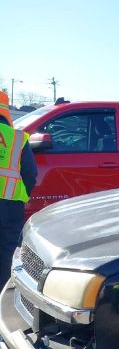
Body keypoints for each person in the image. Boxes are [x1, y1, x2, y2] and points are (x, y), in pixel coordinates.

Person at [0, 91, 37, 287]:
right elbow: (30, 174)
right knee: (9, 250)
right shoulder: (17, 138)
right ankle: (5, 293)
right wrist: (23, 195)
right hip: (10, 203)